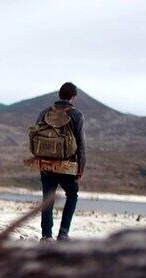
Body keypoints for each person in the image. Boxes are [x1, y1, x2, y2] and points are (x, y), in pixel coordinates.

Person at [36, 82, 86, 242]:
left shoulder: (44, 112)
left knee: (47, 198)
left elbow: (36, 137)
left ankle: (46, 235)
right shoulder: (76, 115)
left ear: (59, 95)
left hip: (46, 163)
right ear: (73, 97)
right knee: (72, 194)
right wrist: (81, 169)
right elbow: (81, 145)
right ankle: (63, 233)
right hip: (67, 166)